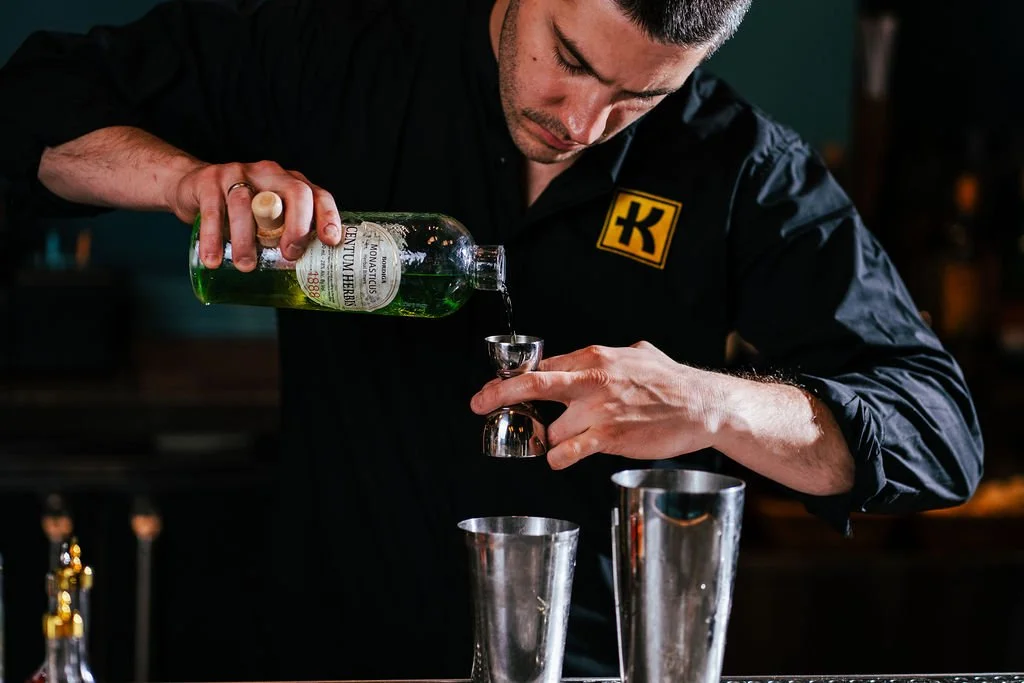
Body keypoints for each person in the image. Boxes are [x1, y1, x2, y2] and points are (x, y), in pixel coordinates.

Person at [0, 0, 983, 679]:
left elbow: (938, 433)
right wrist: (178, 180)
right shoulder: (342, 47)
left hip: (594, 670)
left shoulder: (738, 168)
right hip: (330, 658)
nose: (581, 121)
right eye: (570, 57)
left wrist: (712, 401)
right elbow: (32, 105)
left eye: (637, 98)